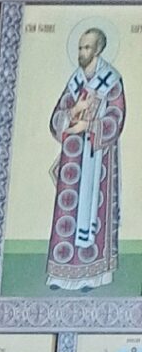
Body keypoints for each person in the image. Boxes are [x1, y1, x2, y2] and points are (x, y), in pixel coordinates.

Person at [45, 27, 126, 292]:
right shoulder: (75, 81)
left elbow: (116, 119)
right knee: (67, 212)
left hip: (98, 161)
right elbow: (56, 119)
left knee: (94, 212)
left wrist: (89, 126)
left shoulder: (111, 80)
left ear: (98, 49)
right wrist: (72, 112)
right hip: (72, 160)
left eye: (87, 47)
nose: (82, 52)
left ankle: (93, 275)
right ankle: (60, 274)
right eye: (80, 47)